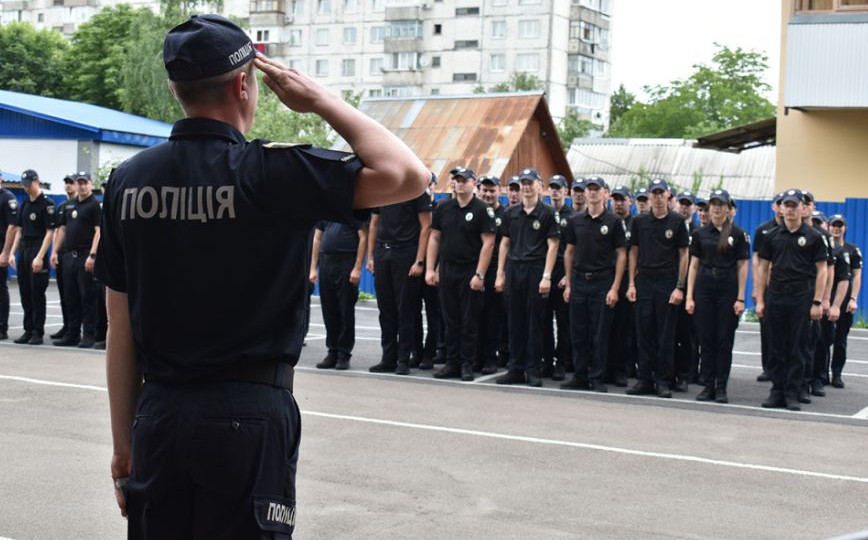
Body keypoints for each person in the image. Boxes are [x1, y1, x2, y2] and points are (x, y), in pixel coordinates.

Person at [96, 14, 428, 538]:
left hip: (158, 416)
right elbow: (409, 176)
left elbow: (121, 328)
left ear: (173, 89)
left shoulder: (127, 181)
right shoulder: (274, 173)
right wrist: (322, 101)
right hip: (247, 415)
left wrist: (123, 445)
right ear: (244, 84)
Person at [755, 189, 827, 411]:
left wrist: (817, 302)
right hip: (776, 294)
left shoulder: (815, 236)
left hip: (801, 295)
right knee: (776, 345)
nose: (789, 209)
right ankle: (777, 391)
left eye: (794, 205)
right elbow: (762, 268)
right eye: (786, 205)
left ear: (801, 208)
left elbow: (822, 270)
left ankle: (792, 392)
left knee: (797, 346)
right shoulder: (771, 236)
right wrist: (760, 299)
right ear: (780, 207)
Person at [426, 167, 496, 381]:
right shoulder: (443, 207)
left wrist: (480, 274)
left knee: (469, 321)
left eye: (464, 180)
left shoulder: (482, 209)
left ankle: (467, 364)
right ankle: (452, 363)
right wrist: (431, 268)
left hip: (469, 270)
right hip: (448, 269)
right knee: (450, 319)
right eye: (457, 180)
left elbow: (489, 243)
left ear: (473, 183)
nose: (460, 183)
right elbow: (435, 238)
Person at [560, 176, 627, 392]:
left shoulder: (613, 221)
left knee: (600, 334)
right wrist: (569, 284)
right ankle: (580, 375)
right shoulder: (576, 220)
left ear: (604, 193)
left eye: (596, 189)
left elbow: (622, 255)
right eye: (589, 189)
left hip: (602, 282)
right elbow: (569, 252)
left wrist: (615, 288)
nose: (592, 193)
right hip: (580, 281)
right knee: (578, 333)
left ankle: (597, 377)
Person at [495, 167, 559, 387]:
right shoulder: (510, 213)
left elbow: (553, 246)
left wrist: (547, 276)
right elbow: (504, 243)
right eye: (523, 183)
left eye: (530, 183)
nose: (526, 187)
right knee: (515, 321)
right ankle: (515, 368)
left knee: (535, 323)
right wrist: (500, 274)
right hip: (514, 269)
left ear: (539, 186)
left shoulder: (548, 213)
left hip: (535, 269)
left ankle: (533, 369)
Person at [625, 179, 689, 398]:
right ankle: (644, 379)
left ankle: (663, 380)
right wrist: (632, 283)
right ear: (650, 196)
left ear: (668, 195)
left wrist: (680, 286)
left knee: (665, 335)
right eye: (654, 193)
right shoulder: (639, 221)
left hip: (667, 283)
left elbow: (683, 255)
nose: (658, 197)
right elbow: (633, 252)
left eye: (662, 193)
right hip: (644, 282)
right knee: (644, 333)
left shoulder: (678, 221)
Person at [684, 190, 749, 403]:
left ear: (729, 209)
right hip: (704, 288)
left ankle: (721, 386)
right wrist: (690, 297)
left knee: (723, 340)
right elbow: (693, 266)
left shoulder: (738, 235)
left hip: (727, 288)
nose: (716, 208)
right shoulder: (701, 234)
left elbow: (742, 266)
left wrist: (740, 298)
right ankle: (707, 384)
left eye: (721, 205)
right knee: (706, 339)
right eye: (713, 204)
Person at [366, 172, 432, 376]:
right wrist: (371, 256)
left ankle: (403, 360)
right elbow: (374, 223)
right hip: (383, 252)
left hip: (406, 253)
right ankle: (388, 358)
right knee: (386, 310)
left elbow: (426, 226)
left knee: (405, 309)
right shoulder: (384, 191)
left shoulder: (417, 192)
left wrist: (419, 260)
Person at [309, 217, 368, 370]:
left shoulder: (354, 213)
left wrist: (357, 267)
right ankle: (332, 351)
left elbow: (363, 238)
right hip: (327, 261)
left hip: (346, 261)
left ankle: (344, 353)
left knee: (345, 310)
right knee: (329, 310)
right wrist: (313, 267)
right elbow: (317, 238)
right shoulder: (327, 213)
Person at [50, 172, 101, 348]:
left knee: (87, 296)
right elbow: (62, 229)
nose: (81, 186)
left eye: (84, 183)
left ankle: (89, 334)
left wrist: (92, 255)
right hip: (68, 256)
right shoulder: (69, 205)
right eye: (79, 183)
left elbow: (98, 232)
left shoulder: (95, 205)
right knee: (70, 296)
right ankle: (72, 333)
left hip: (85, 255)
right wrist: (55, 251)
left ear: (90, 183)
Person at [10, 169, 56, 345]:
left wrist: (40, 256)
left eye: (29, 184)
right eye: (25, 185)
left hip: (38, 248)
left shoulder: (47, 204)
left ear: (37, 181)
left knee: (37, 293)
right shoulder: (25, 204)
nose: (27, 188)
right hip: (24, 249)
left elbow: (50, 232)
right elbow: (19, 230)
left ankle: (38, 331)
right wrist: (13, 252)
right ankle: (28, 329)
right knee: (25, 293)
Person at [543, 174, 573, 380]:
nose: (555, 191)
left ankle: (561, 363)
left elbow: (576, 249)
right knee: (544, 322)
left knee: (563, 323)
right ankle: (546, 361)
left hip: (564, 273)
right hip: (546, 273)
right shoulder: (544, 213)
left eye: (558, 187)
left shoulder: (573, 216)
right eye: (552, 187)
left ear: (565, 191)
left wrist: (568, 277)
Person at [476, 174, 507, 374]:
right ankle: (475, 357)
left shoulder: (507, 214)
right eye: (484, 190)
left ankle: (490, 358)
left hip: (496, 270)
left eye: (492, 190)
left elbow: (508, 245)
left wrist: (501, 274)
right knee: (474, 316)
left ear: (499, 191)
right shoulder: (475, 211)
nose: (488, 194)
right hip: (475, 270)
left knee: (493, 318)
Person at [752, 192, 783, 382]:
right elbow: (757, 261)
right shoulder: (764, 230)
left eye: (785, 204)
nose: (782, 207)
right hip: (767, 287)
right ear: (773, 207)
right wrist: (757, 288)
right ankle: (768, 368)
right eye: (778, 203)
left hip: (786, 287)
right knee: (767, 329)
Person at [828, 214, 862, 388]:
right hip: (826, 298)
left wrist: (853, 298)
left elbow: (856, 276)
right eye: (834, 225)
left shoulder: (852, 250)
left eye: (840, 225)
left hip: (844, 301)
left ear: (845, 228)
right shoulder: (824, 248)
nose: (836, 228)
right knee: (823, 339)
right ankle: (821, 373)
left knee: (840, 339)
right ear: (828, 227)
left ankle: (837, 374)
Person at [607, 185, 635, 385]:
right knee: (605, 326)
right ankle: (605, 367)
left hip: (627, 279)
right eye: (615, 199)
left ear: (629, 201)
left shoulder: (637, 223)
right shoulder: (607, 221)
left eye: (622, 199)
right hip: (607, 276)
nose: (618, 203)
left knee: (624, 327)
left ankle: (622, 369)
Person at [51, 174, 79, 341]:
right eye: (66, 183)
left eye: (71, 183)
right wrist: (55, 251)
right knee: (65, 294)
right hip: (63, 254)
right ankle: (67, 325)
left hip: (77, 254)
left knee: (79, 295)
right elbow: (58, 230)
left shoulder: (81, 204)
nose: (68, 186)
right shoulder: (62, 206)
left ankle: (78, 329)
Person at [0, 172, 19, 340]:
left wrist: (6, 252)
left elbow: (12, 227)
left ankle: (1, 328)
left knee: (0, 288)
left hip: (0, 247)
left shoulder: (7, 197)